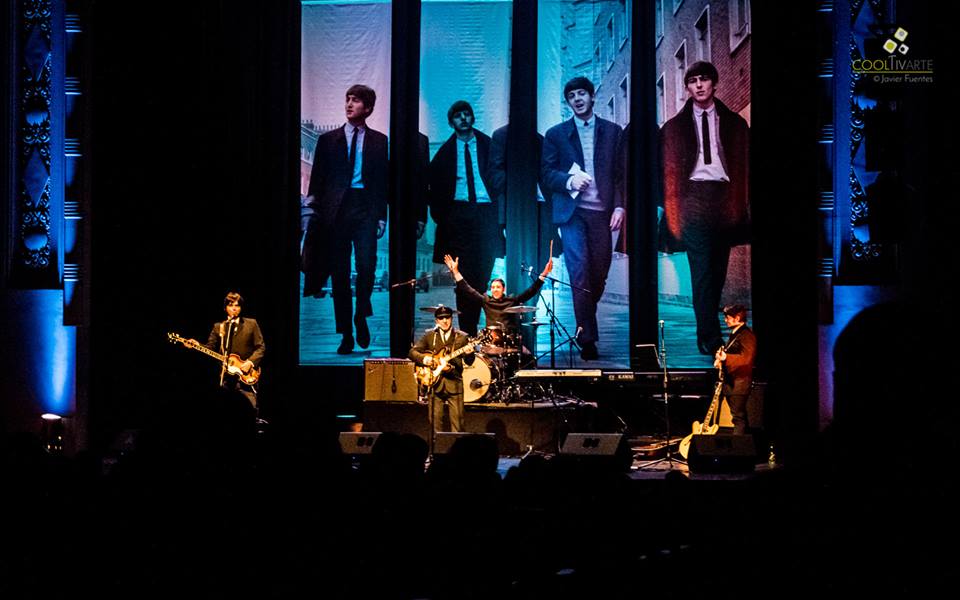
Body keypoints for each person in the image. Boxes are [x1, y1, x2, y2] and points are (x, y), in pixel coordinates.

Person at [660, 61, 750, 355]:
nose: (699, 85)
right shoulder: (673, 128)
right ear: (687, 87)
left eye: (704, 79)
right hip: (693, 200)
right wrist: (675, 213)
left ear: (714, 84)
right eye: (693, 80)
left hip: (724, 199)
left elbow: (745, 166)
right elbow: (668, 174)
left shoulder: (736, 123)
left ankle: (708, 332)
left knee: (718, 272)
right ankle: (710, 338)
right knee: (702, 271)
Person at [541, 76, 624, 360]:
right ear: (568, 103)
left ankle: (585, 314)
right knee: (579, 271)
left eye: (581, 94)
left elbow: (620, 174)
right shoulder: (556, 134)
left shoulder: (613, 132)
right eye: (571, 96)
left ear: (591, 97)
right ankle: (587, 337)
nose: (577, 99)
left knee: (599, 271)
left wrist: (620, 207)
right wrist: (569, 181)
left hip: (602, 213)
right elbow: (547, 174)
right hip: (572, 214)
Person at [301, 84, 388, 354]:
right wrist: (314, 211)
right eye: (348, 99)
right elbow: (317, 179)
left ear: (368, 108)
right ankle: (346, 334)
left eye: (356, 100)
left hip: (365, 208)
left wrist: (381, 216)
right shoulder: (328, 140)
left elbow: (382, 182)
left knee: (366, 266)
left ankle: (361, 314)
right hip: (335, 212)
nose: (349, 104)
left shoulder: (379, 141)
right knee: (339, 273)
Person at [428, 100, 501, 336]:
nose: (463, 118)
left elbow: (501, 175)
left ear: (472, 118)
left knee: (483, 272)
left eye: (467, 114)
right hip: (458, 217)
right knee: (462, 276)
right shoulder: (444, 153)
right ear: (451, 122)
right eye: (458, 115)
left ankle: (477, 322)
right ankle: (467, 331)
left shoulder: (488, 145)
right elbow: (434, 187)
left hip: (485, 212)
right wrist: (444, 217)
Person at [443, 253, 552, 337]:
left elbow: (530, 291)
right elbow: (467, 289)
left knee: (527, 357)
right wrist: (456, 272)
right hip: (490, 339)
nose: (495, 289)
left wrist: (544, 274)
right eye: (493, 287)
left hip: (509, 339)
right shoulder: (486, 300)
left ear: (503, 289)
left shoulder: (512, 300)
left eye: (498, 287)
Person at [408, 305, 475, 433]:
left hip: (454, 384)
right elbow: (412, 352)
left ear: (451, 318)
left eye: (447, 318)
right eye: (441, 318)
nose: (445, 321)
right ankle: (436, 451)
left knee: (458, 426)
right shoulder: (430, 336)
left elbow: (469, 361)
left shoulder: (462, 337)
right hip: (434, 385)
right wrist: (425, 359)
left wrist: (469, 353)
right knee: (434, 426)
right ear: (436, 321)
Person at [198, 291, 265, 410]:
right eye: (230, 305)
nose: (234, 308)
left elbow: (261, 347)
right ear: (225, 308)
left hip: (246, 378)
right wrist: (196, 345)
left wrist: (250, 362)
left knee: (249, 409)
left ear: (241, 307)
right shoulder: (219, 327)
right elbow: (209, 349)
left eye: (237, 305)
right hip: (226, 380)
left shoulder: (251, 324)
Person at [713, 304, 755, 436]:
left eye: (728, 317)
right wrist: (720, 360)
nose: (725, 320)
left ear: (737, 318)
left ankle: (739, 448)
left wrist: (726, 357)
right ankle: (743, 446)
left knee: (738, 417)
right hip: (732, 383)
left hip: (739, 384)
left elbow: (746, 358)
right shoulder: (735, 334)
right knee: (738, 416)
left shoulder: (746, 335)